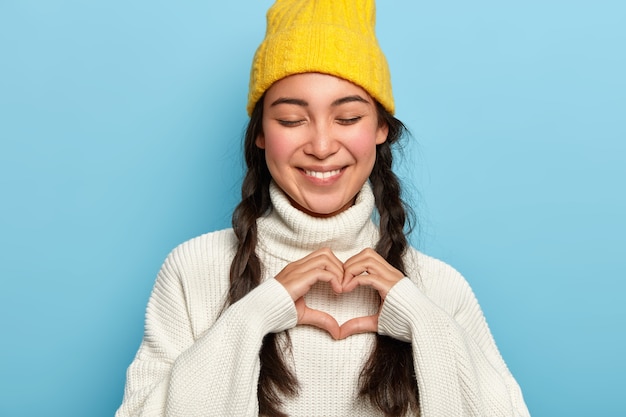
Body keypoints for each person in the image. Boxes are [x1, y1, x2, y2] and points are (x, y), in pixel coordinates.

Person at [116, 0, 530, 416]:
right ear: (260, 132)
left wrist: (425, 323)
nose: (321, 146)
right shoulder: (193, 269)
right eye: (292, 120)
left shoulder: (438, 288)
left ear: (381, 129)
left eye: (347, 118)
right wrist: (254, 314)